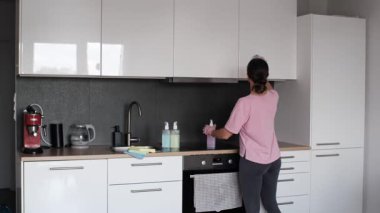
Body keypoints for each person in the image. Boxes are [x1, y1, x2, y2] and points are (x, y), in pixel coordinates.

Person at [203, 56, 281, 213]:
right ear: (266, 76)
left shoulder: (245, 103)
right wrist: (261, 73)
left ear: (248, 76)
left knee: (252, 209)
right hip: (274, 160)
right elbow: (268, 85)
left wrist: (210, 131)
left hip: (253, 163)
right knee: (271, 203)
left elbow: (225, 134)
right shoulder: (274, 96)